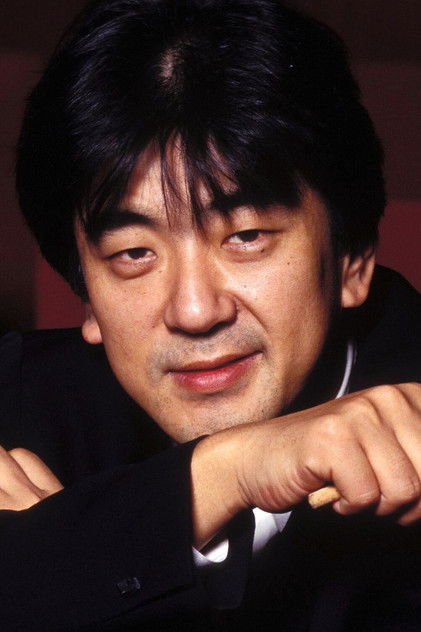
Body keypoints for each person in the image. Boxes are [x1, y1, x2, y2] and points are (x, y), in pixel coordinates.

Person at [0, 0, 420, 629]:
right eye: (134, 253)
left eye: (246, 236)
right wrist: (228, 473)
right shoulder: (19, 402)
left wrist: (64, 558)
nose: (195, 312)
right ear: (86, 294)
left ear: (352, 260)